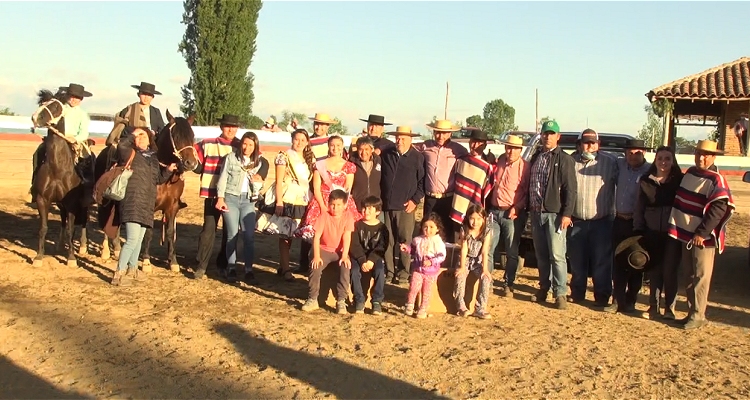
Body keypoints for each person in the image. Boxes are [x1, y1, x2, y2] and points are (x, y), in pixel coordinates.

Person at [665, 140, 735, 330]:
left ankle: (698, 314)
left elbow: (719, 208)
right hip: (686, 234)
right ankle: (692, 312)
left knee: (701, 275)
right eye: (698, 153)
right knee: (688, 274)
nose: (701, 158)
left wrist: (702, 233)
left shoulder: (716, 180)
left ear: (713, 157)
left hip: (702, 238)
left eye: (706, 154)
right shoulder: (691, 174)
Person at [110, 128, 177, 286]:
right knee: (132, 239)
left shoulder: (153, 158)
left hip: (147, 203)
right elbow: (121, 145)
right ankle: (118, 273)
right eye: (138, 136)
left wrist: (167, 171)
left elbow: (158, 180)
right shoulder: (129, 153)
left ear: (149, 140)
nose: (140, 138)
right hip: (132, 201)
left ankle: (132, 270)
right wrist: (133, 133)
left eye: (143, 135)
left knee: (139, 240)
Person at [528, 120, 577, 310]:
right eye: (545, 133)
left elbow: (570, 190)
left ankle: (560, 293)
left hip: (554, 214)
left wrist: (567, 214)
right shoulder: (536, 157)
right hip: (536, 212)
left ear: (558, 136)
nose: (547, 136)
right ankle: (544, 288)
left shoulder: (564, 159)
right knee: (541, 254)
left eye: (551, 133)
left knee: (557, 255)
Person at [567, 129, 618, 307]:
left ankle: (602, 296)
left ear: (598, 144)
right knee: (576, 260)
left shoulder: (611, 162)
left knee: (602, 261)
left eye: (592, 142)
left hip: (602, 221)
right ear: (580, 144)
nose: (589, 146)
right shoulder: (571, 161)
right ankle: (577, 292)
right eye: (586, 142)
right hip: (577, 220)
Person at [256, 129, 314, 281]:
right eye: (297, 139)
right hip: (288, 197)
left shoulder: (309, 159)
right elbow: (279, 179)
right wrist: (279, 202)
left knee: (295, 233)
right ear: (292, 140)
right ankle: (286, 268)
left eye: (303, 140)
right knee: (285, 234)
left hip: (303, 198)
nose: (299, 142)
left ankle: (283, 265)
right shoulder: (284, 156)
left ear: (307, 142)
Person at [632, 146, 683, 320]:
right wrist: (638, 229)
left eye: (667, 158)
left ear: (672, 161)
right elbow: (639, 207)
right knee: (654, 270)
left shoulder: (679, 180)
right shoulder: (646, 180)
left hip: (673, 233)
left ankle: (670, 308)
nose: (663, 162)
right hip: (651, 231)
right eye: (660, 158)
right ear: (655, 160)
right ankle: (653, 307)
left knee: (669, 271)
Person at [215, 131, 270, 285]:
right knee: (232, 234)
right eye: (245, 144)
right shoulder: (231, 158)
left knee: (249, 236)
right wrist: (220, 198)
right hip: (231, 198)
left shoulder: (258, 162)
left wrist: (258, 182)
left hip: (248, 201)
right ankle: (231, 267)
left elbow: (262, 178)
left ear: (255, 146)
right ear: (241, 144)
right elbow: (223, 178)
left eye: (251, 145)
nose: (247, 147)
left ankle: (248, 270)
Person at [192, 114, 241, 280]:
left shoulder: (242, 145)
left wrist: (260, 175)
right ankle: (202, 265)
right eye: (228, 126)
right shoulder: (207, 143)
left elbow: (260, 161)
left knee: (229, 231)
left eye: (234, 127)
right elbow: (192, 159)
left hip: (233, 195)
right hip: (212, 193)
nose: (231, 129)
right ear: (221, 127)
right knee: (209, 230)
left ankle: (223, 264)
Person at [607, 139, 652, 314]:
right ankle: (617, 300)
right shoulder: (620, 165)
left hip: (638, 223)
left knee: (636, 262)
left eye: (637, 153)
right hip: (619, 220)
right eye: (630, 153)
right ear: (625, 154)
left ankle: (631, 300)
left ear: (644, 153)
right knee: (618, 261)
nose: (633, 156)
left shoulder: (649, 171)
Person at [30, 83, 95, 199]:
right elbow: (46, 117)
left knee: (88, 157)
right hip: (56, 139)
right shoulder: (58, 108)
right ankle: (35, 183)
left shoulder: (83, 114)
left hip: (75, 141)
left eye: (78, 98)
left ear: (82, 99)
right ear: (68, 96)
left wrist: (75, 139)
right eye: (73, 96)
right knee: (38, 152)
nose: (75, 100)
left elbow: (84, 132)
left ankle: (86, 186)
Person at [380, 126, 425, 285]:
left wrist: (415, 200)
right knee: (388, 240)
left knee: (404, 241)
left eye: (403, 138)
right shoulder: (387, 154)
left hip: (405, 206)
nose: (399, 141)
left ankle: (404, 272)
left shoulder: (417, 158)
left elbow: (422, 183)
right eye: (398, 138)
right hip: (386, 205)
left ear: (410, 140)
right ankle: (390, 271)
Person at [485, 134, 529, 296]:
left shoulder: (525, 167)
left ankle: (508, 283)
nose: (510, 151)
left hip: (512, 213)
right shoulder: (500, 161)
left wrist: (517, 207)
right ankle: (487, 281)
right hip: (494, 211)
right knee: (489, 247)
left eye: (514, 148)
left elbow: (528, 192)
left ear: (520, 150)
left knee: (511, 250)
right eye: (508, 147)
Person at [295, 135, 362, 241]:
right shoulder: (319, 165)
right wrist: (322, 206)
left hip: (341, 202)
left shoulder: (349, 166)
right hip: (322, 201)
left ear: (342, 146)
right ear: (328, 146)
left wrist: (342, 206)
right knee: (318, 234)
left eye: (338, 145)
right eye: (332, 145)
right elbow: (316, 188)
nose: (335, 148)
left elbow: (348, 188)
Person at [300, 189, 356, 314]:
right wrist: (316, 256)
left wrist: (345, 255)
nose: (335, 208)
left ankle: (341, 300)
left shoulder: (348, 217)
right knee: (315, 267)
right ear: (328, 203)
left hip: (339, 252)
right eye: (332, 205)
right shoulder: (324, 216)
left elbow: (347, 237)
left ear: (345, 205)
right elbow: (317, 237)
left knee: (345, 267)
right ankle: (312, 298)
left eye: (339, 205)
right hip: (323, 249)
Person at [416, 119, 469, 243]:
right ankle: (427, 260)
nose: (441, 136)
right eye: (438, 132)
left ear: (450, 134)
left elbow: (471, 160)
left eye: (444, 133)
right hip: (430, 198)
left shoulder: (459, 150)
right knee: (427, 230)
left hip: (448, 198)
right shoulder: (426, 146)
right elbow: (409, 149)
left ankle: (445, 259)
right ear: (434, 132)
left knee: (447, 231)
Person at [401, 213, 447, 319]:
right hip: (418, 269)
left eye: (431, 227)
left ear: (437, 229)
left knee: (426, 291)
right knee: (413, 287)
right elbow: (413, 250)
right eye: (425, 226)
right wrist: (406, 248)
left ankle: (423, 309)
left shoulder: (438, 242)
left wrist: (431, 262)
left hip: (431, 272)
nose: (428, 229)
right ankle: (410, 305)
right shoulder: (417, 240)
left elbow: (442, 256)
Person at [349, 195, 389, 315]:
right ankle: (359, 300)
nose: (366, 212)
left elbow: (382, 247)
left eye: (370, 209)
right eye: (364, 208)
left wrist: (371, 260)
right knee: (354, 272)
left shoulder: (383, 228)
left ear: (377, 211)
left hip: (374, 258)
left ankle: (377, 301)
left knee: (380, 272)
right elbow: (354, 245)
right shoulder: (356, 225)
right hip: (358, 257)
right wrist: (362, 260)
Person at [449, 129, 496, 231]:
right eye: (473, 142)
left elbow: (487, 191)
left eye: (479, 143)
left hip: (475, 210)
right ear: (469, 142)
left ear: (484, 145)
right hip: (458, 207)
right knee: (458, 240)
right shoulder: (461, 160)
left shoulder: (487, 167)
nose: (475, 146)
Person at [454, 204, 493, 319]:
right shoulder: (464, 229)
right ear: (468, 218)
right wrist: (462, 266)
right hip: (465, 259)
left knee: (486, 278)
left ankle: (480, 308)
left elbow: (485, 251)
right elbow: (464, 249)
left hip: (478, 261)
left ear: (484, 219)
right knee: (460, 277)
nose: (475, 222)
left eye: (479, 219)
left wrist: (485, 269)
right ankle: (461, 306)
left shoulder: (487, 231)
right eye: (472, 218)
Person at [106, 82, 166, 147]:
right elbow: (120, 130)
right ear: (138, 94)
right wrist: (135, 133)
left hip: (153, 144)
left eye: (149, 95)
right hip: (132, 144)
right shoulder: (129, 110)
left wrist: (153, 134)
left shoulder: (156, 111)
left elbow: (161, 130)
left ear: (152, 97)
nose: (146, 97)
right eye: (144, 94)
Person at [349, 136, 382, 215]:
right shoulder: (351, 162)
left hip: (374, 205)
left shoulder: (378, 160)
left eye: (366, 149)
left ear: (372, 150)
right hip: (358, 206)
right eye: (361, 149)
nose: (363, 153)